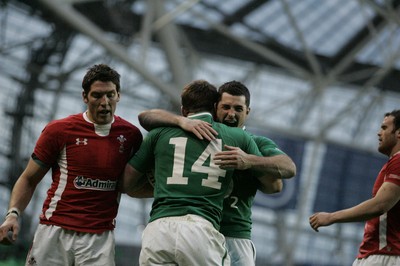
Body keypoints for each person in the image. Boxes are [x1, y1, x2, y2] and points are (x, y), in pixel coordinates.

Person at [137, 80, 297, 265]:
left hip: (233, 234)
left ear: (247, 111)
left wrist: (249, 161)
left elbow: (282, 176)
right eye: (226, 107)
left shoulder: (255, 142)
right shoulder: (193, 132)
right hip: (199, 229)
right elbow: (146, 116)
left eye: (238, 108)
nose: (231, 114)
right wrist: (181, 120)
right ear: (215, 108)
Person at [0, 64, 143, 266]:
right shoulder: (59, 130)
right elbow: (29, 178)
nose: (105, 103)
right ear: (85, 97)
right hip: (55, 231)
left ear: (118, 95)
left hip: (99, 238)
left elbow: (133, 184)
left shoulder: (130, 135)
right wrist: (12, 215)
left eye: (110, 95)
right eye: (97, 96)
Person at [309, 109, 400, 266]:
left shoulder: (398, 162)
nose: (379, 133)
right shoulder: (392, 164)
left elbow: (380, 205)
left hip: (385, 256)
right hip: (376, 254)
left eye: (384, 128)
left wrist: (331, 217)